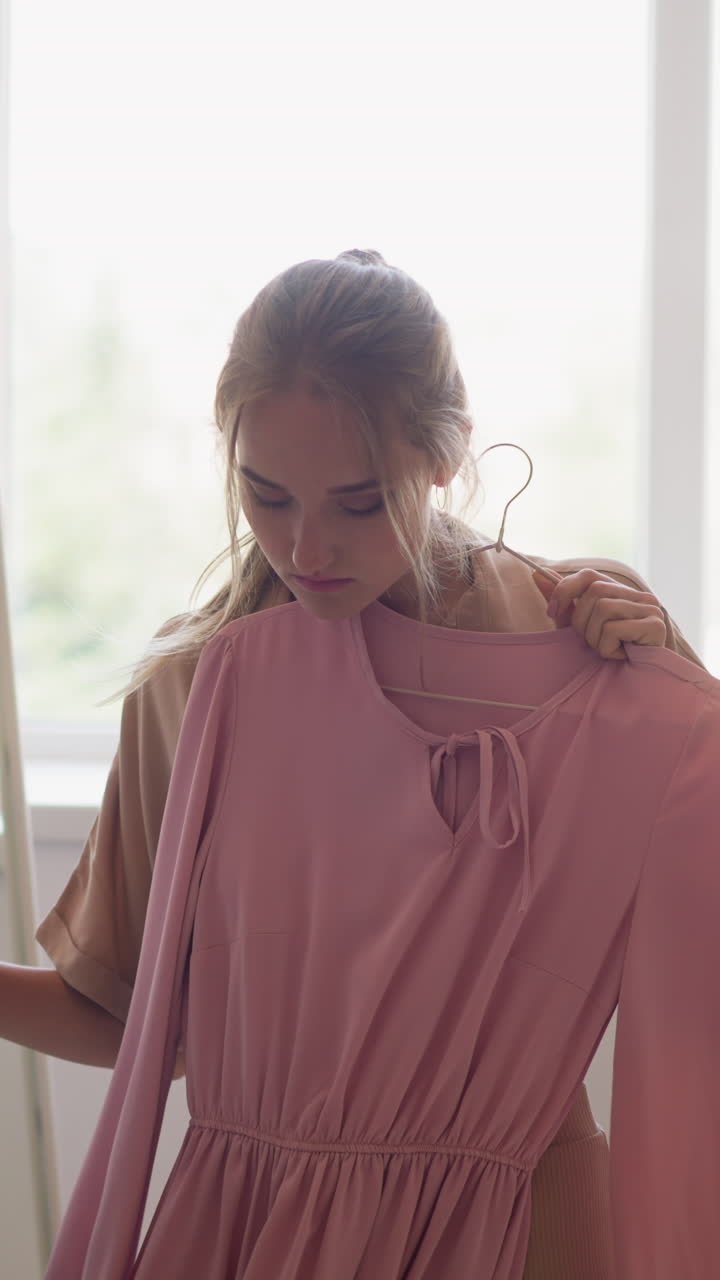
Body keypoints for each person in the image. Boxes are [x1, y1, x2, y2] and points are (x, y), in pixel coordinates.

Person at [0, 250, 710, 1278]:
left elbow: (693, 943)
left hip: (527, 1220)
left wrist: (676, 680)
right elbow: (131, 1015)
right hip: (269, 1231)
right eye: (265, 492)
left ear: (447, 455)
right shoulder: (199, 684)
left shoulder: (595, 638)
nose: (307, 544)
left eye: (359, 500)